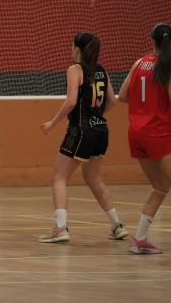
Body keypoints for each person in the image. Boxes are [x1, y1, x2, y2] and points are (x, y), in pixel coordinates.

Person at [39, 32, 128, 243]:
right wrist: (96, 116)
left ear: (78, 50)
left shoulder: (74, 70)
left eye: (72, 47)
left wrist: (52, 123)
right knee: (94, 179)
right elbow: (113, 101)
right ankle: (117, 225)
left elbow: (71, 102)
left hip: (80, 130)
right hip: (101, 131)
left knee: (59, 178)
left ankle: (60, 228)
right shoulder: (102, 71)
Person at [118, 23, 171, 257]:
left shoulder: (139, 63)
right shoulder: (170, 67)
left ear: (152, 40)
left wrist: (142, 107)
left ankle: (139, 239)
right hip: (157, 132)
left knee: (160, 187)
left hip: (136, 133)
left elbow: (122, 95)